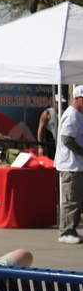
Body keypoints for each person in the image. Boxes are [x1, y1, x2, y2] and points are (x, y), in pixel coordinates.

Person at [55, 85, 83, 244]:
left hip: (77, 165)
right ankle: (66, 231)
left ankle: (71, 229)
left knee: (76, 199)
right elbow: (67, 139)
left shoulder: (78, 115)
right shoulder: (71, 115)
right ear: (78, 99)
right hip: (71, 165)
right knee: (70, 199)